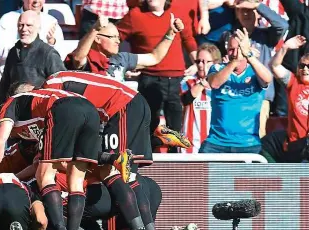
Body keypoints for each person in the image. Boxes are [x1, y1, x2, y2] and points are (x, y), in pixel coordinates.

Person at [42, 71, 163, 230]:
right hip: (126, 105)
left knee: (118, 171)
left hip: (120, 107)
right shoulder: (60, 81)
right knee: (125, 172)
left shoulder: (51, 91)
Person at [0, 88, 100, 230]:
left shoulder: (9, 105)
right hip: (91, 109)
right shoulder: (40, 112)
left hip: (63, 108)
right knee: (75, 180)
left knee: (44, 175)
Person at [116, 0, 198, 152]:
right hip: (149, 77)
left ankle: (175, 164)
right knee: (149, 123)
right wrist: (123, 64)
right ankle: (149, 160)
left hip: (175, 79)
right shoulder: (135, 15)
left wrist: (198, 63)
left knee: (175, 126)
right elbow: (115, 37)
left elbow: (188, 39)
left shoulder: (177, 12)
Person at [202, 29, 273, 153]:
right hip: (216, 142)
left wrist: (248, 55)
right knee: (196, 171)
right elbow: (214, 83)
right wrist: (235, 60)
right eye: (231, 49)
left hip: (248, 144)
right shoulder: (217, 68)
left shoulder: (254, 72)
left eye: (238, 48)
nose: (234, 53)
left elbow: (267, 79)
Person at [0, 10, 66, 104]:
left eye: (29, 25)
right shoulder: (13, 52)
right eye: (21, 25)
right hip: (15, 111)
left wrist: (34, 91)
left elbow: (61, 87)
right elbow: (4, 85)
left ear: (38, 28)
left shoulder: (48, 54)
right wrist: (2, 109)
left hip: (39, 111)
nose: (24, 29)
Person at [262, 35, 309, 163]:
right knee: (265, 143)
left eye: (308, 66)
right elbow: (274, 66)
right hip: (295, 145)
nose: (305, 69)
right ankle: (273, 177)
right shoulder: (294, 83)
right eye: (302, 66)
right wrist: (285, 47)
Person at [179, 43, 222, 154]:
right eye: (198, 61)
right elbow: (185, 99)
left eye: (206, 62)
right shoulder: (188, 82)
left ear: (215, 63)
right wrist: (203, 83)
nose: (201, 65)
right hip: (190, 145)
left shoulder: (222, 85)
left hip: (216, 144)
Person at [0, 0, 64, 69]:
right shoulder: (8, 19)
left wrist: (52, 42)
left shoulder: (51, 21)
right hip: (15, 74)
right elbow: (1, 52)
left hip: (45, 75)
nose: (36, 1)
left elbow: (61, 56)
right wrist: (24, 46)